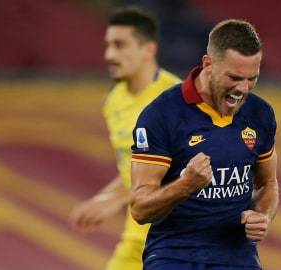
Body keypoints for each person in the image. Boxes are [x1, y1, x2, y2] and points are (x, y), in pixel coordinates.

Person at [129, 19, 279, 270]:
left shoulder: (260, 113)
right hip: (174, 255)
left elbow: (268, 183)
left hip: (237, 257)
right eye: (234, 77)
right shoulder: (161, 115)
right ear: (208, 64)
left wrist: (263, 215)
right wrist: (186, 185)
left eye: (252, 79)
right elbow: (140, 209)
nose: (242, 89)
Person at [70, 6, 180, 270]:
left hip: (176, 242)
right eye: (108, 45)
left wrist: (116, 201)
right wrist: (102, 199)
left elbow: (182, 172)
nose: (109, 55)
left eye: (120, 45)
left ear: (148, 49)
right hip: (136, 240)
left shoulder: (178, 100)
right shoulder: (114, 100)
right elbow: (134, 167)